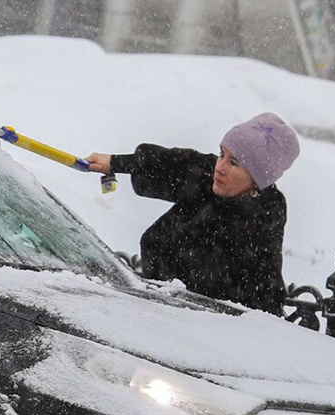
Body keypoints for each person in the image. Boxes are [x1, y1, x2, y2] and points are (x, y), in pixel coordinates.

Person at [86, 112, 300, 316]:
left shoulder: (264, 214)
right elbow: (169, 163)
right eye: (221, 154)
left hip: (198, 328)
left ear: (257, 180)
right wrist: (115, 163)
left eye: (233, 163)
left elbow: (263, 288)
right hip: (150, 307)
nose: (220, 167)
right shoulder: (209, 179)